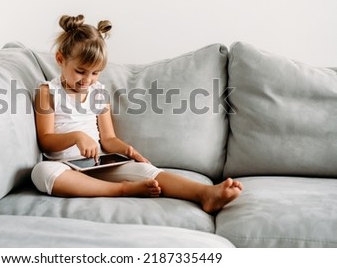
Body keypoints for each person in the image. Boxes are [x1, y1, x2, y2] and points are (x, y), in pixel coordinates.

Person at [31, 14, 243, 214]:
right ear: (60, 59)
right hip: (64, 167)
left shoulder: (98, 93)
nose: (87, 79)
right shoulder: (47, 92)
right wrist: (76, 137)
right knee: (41, 173)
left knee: (147, 172)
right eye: (80, 71)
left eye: (95, 73)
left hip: (97, 165)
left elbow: (109, 139)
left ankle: (205, 193)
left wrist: (129, 152)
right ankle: (122, 190)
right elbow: (46, 142)